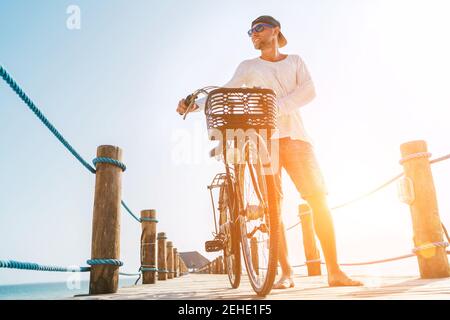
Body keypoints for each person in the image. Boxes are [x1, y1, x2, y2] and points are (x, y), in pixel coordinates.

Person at [176, 15, 363, 289]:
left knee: (318, 200)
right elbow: (226, 92)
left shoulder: (295, 61)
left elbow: (309, 91)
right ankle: (286, 273)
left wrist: (277, 107)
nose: (253, 34)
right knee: (272, 207)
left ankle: (334, 270)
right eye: (250, 31)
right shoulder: (248, 66)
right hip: (265, 142)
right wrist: (194, 104)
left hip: (298, 139)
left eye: (258, 28)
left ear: (275, 31)